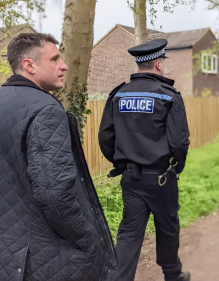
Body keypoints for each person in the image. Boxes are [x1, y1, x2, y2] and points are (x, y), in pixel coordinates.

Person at [0, 33, 117, 281]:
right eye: (54, 59)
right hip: (48, 259)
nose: (64, 66)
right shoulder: (45, 109)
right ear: (29, 66)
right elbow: (55, 193)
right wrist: (87, 238)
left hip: (9, 254)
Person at [98, 38, 191, 281]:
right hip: (162, 177)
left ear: (140, 65)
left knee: (129, 233)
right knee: (167, 227)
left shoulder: (118, 95)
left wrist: (122, 164)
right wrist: (176, 167)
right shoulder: (169, 96)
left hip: (131, 178)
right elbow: (179, 142)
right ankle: (173, 275)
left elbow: (105, 136)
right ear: (159, 64)